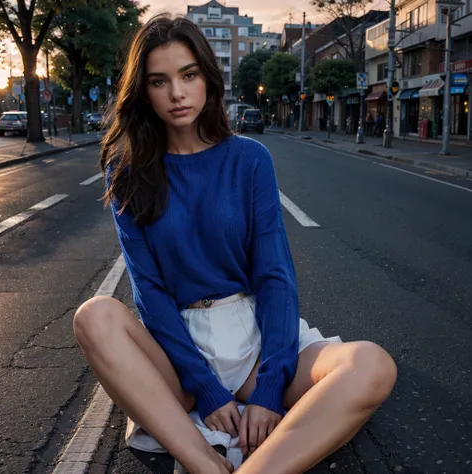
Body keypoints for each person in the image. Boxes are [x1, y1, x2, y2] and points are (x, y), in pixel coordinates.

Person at [73, 14, 397, 474]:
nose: (177, 93)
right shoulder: (127, 174)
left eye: (188, 75)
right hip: (178, 351)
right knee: (94, 315)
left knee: (372, 365)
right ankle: (204, 463)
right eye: (159, 81)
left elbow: (274, 277)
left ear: (207, 76)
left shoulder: (249, 159)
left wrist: (267, 391)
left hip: (254, 337)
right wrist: (203, 386)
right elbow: (150, 293)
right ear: (144, 91)